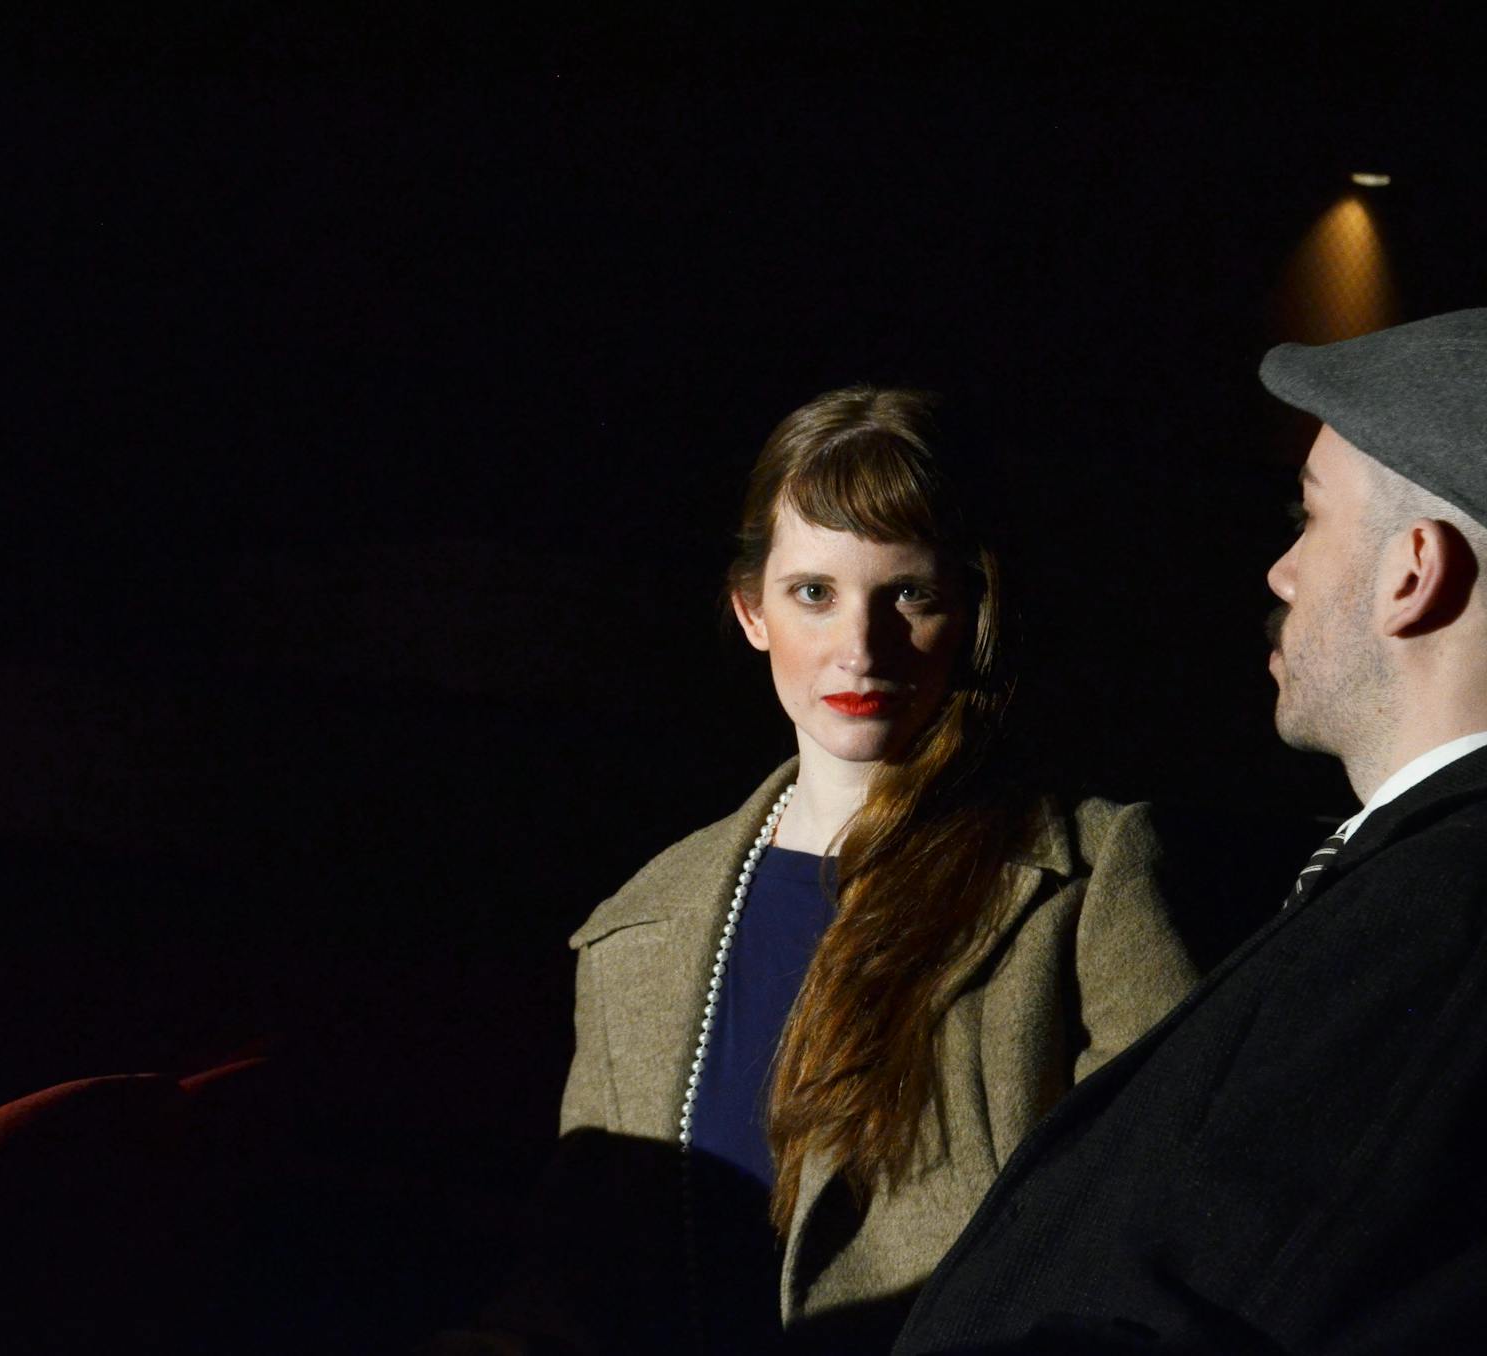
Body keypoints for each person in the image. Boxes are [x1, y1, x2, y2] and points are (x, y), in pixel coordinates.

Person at [893, 308, 1487, 1355]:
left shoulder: (1459, 920)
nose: (1280, 570)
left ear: (1412, 574)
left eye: (1307, 517)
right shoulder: (1475, 884)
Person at [451, 386, 1200, 1355]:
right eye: (814, 593)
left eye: (910, 595)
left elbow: (1164, 1232)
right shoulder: (637, 930)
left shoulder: (1088, 884)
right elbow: (575, 1287)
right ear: (750, 610)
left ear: (971, 610)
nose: (860, 649)